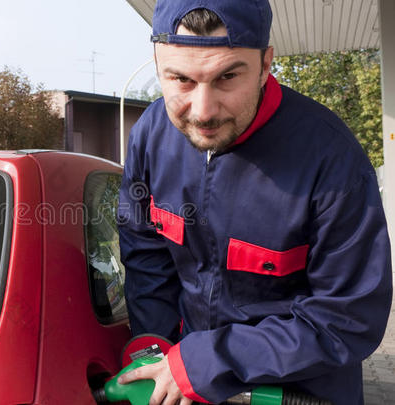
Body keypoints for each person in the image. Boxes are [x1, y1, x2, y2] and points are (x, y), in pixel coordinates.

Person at [116, 1, 393, 404]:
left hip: (301, 391)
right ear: (158, 65)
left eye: (227, 77)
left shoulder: (331, 158)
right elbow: (146, 254)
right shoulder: (149, 137)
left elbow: (348, 317)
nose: (203, 111)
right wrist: (156, 344)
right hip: (183, 383)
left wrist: (209, 361)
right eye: (180, 80)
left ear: (265, 64)